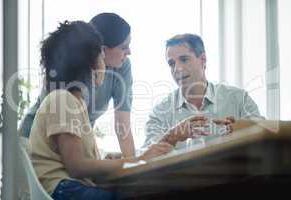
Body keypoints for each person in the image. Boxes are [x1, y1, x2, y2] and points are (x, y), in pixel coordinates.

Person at [29, 20, 172, 200]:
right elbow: (76, 166)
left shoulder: (75, 102)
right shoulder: (62, 99)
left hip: (71, 187)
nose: (104, 63)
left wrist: (106, 160)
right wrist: (138, 159)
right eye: (102, 57)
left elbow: (78, 158)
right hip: (64, 189)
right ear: (89, 63)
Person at [19, 13, 136, 157]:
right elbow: (59, 121)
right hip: (38, 140)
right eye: (124, 47)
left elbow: (122, 123)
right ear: (102, 49)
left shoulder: (122, 66)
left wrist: (135, 165)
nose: (129, 52)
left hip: (75, 142)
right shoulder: (71, 70)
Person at [142, 34, 264, 150]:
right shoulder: (160, 112)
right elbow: (144, 160)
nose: (177, 68)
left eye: (184, 60)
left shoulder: (239, 99)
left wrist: (241, 130)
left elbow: (266, 135)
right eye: (171, 63)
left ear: (203, 60)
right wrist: (172, 137)